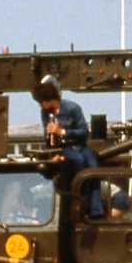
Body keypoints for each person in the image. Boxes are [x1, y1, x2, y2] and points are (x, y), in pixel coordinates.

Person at [32, 81, 102, 218]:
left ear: (48, 100)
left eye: (42, 102)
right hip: (62, 148)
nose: (42, 106)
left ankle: (95, 209)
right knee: (79, 160)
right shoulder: (45, 113)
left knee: (94, 167)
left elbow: (84, 132)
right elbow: (47, 135)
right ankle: (78, 201)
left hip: (78, 144)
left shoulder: (73, 108)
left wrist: (62, 132)